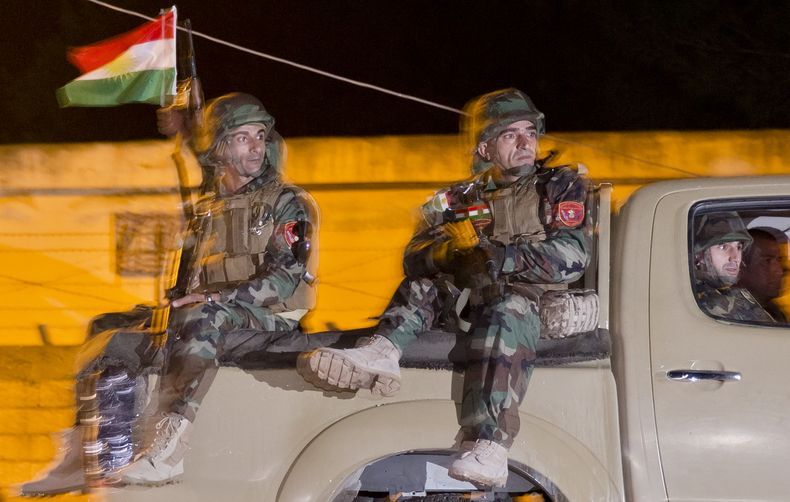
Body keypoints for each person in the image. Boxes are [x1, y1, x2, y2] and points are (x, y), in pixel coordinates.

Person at [19, 92, 318, 494]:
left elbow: (286, 278)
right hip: (212, 310)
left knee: (200, 316)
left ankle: (169, 448)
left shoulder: (287, 202)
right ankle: (88, 455)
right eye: (243, 137)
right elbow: (190, 274)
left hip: (270, 317)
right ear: (221, 146)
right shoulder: (210, 206)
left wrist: (213, 299)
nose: (256, 146)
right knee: (107, 326)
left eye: (260, 136)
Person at [298, 88, 591, 488]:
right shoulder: (456, 197)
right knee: (422, 284)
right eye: (510, 135)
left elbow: (573, 254)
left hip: (530, 304)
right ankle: (383, 352)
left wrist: (497, 257)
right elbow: (414, 255)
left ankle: (491, 445)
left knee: (509, 310)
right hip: (471, 301)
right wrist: (452, 253)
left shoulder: (558, 186)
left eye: (529, 132)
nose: (526, 142)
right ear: (485, 149)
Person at [692, 213, 774, 322]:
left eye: (738, 247)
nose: (735, 258)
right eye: (723, 246)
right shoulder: (700, 303)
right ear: (699, 255)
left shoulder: (722, 292)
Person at [736, 227, 788, 322]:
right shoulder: (728, 313)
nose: (779, 271)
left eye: (778, 260)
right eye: (767, 261)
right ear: (740, 267)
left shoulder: (772, 309)